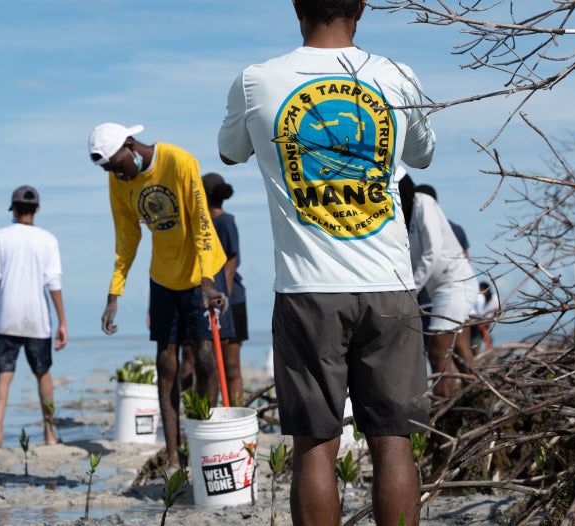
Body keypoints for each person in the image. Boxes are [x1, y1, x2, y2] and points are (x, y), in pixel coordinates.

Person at [217, 0, 436, 524]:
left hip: (306, 289)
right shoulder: (397, 77)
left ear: (296, 5)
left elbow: (230, 153)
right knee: (393, 442)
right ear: (362, 6)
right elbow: (422, 155)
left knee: (315, 444)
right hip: (390, 287)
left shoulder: (258, 80)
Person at [88, 122, 229, 473]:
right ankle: (175, 457)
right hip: (162, 277)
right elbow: (126, 237)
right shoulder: (118, 181)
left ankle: (203, 441)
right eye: (108, 170)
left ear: (131, 146)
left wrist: (208, 281)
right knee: (166, 365)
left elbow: (199, 221)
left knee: (205, 357)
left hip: (201, 271)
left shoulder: (179, 162)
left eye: (116, 165)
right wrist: (113, 294)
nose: (116, 174)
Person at [0, 185, 68, 449]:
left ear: (14, 209)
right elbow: (53, 282)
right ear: (37, 209)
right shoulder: (48, 240)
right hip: (37, 318)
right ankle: (49, 432)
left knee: (3, 377)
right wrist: (62, 321)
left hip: (6, 315)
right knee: (44, 375)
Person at [401, 177, 477, 398]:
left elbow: (432, 253)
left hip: (454, 285)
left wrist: (409, 291)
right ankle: (480, 408)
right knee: (463, 356)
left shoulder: (423, 202)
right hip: (440, 291)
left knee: (437, 353)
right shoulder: (407, 218)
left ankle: (442, 418)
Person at [201, 172, 248, 402]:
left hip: (231, 299)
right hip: (207, 298)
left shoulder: (225, 221)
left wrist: (224, 297)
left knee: (231, 366)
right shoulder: (201, 222)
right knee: (206, 365)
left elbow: (231, 261)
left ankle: (236, 414)